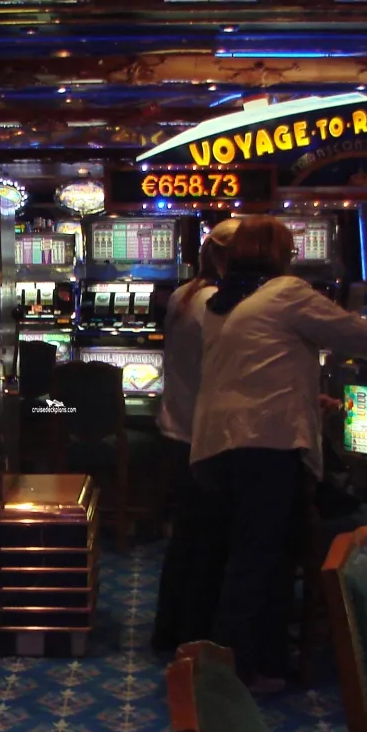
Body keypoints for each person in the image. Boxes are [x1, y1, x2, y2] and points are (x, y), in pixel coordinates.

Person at [190, 216, 367, 691]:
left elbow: (257, 367)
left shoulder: (227, 299)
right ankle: (235, 673)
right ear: (282, 255)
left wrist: (307, 397)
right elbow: (354, 332)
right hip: (263, 443)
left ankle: (254, 661)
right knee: (259, 560)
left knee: (251, 556)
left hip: (221, 442)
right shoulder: (286, 292)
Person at [151, 218, 238, 652]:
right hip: (205, 435)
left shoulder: (185, 294)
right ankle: (197, 637)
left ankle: (172, 630)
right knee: (207, 542)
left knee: (187, 540)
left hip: (179, 427)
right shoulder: (215, 304)